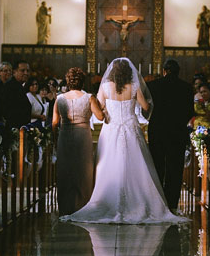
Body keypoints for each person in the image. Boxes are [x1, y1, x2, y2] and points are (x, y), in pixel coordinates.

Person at [61, 58, 184, 224]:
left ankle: (106, 200)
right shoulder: (134, 87)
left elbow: (100, 109)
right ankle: (140, 202)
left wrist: (109, 109)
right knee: (135, 164)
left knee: (109, 163)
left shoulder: (104, 87)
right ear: (129, 72)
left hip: (111, 129)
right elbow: (147, 107)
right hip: (130, 127)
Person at [52, 67, 104, 215]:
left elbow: (55, 122)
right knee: (83, 169)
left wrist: (55, 140)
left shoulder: (60, 98)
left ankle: (65, 206)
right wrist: (104, 109)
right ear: (82, 81)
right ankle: (83, 205)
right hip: (83, 135)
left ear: (68, 82)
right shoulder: (89, 97)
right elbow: (100, 117)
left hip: (65, 134)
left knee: (66, 169)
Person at [147, 58, 194, 212]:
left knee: (157, 165)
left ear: (164, 71)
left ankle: (158, 201)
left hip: (157, 131)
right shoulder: (187, 88)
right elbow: (189, 112)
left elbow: (147, 109)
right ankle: (172, 203)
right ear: (178, 72)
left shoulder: (153, 85)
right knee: (175, 167)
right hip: (177, 132)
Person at [0, 60, 32, 128]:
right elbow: (7, 111)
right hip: (14, 128)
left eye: (28, 71)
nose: (26, 73)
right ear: (14, 72)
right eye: (22, 70)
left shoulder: (20, 86)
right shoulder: (10, 87)